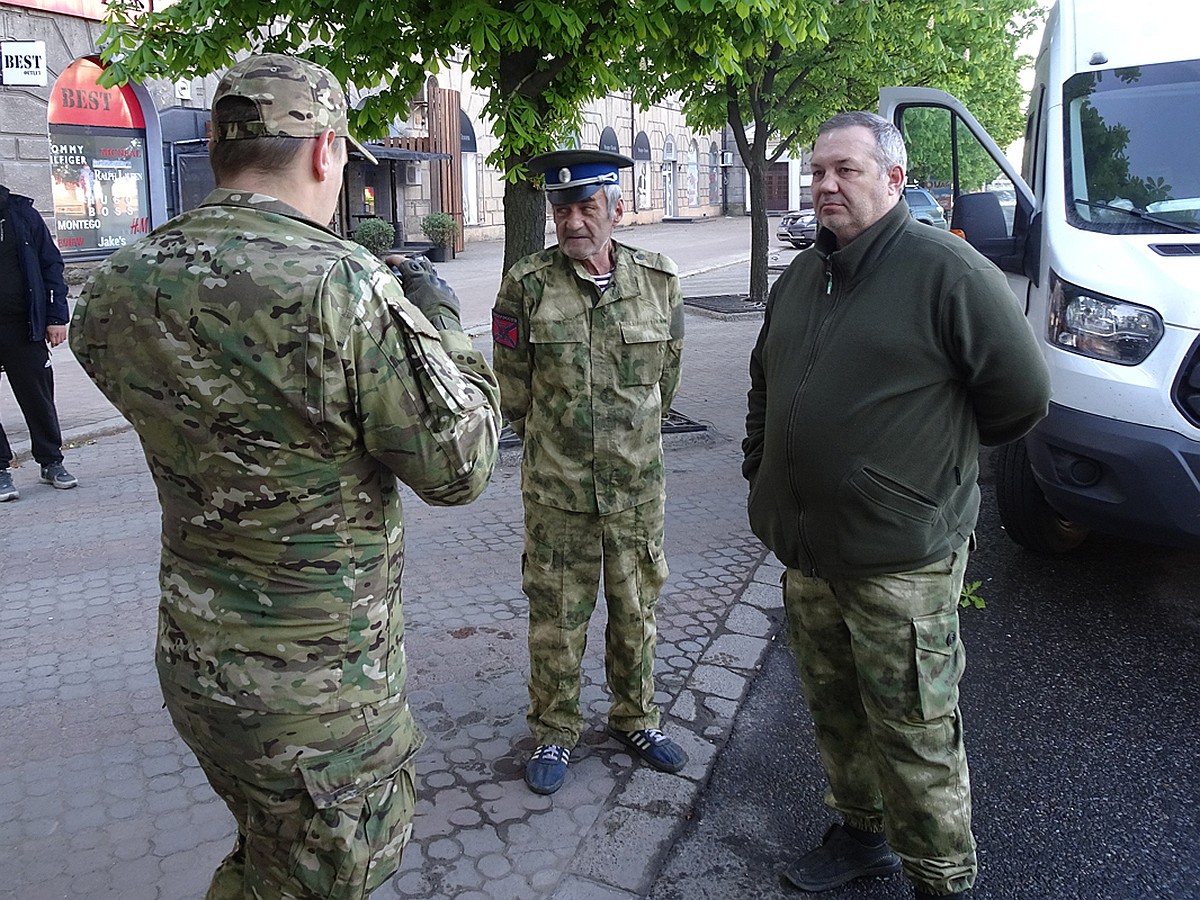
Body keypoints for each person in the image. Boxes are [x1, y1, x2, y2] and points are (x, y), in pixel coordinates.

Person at [71, 53, 501, 899]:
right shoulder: (342, 284)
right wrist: (444, 326)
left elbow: (128, 374)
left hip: (199, 663)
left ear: (225, 151)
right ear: (325, 152)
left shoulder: (121, 281)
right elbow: (460, 467)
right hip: (321, 701)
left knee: (271, 862)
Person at [742, 111, 1052, 899]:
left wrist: (923, 480)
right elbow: (766, 389)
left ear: (894, 179)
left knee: (916, 734)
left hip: (902, 564)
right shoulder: (804, 277)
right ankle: (860, 835)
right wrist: (762, 473)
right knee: (836, 712)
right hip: (811, 556)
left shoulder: (948, 272)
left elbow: (1020, 399)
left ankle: (941, 878)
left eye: (846, 169)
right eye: (817, 172)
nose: (826, 185)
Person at [491, 149, 688, 795]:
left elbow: (668, 378)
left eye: (586, 207)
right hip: (557, 494)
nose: (573, 222)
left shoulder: (658, 280)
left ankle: (636, 717)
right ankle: (554, 729)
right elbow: (512, 389)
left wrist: (627, 443)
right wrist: (556, 446)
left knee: (636, 611)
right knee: (556, 618)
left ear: (616, 210)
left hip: (636, 493)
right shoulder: (526, 283)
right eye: (561, 209)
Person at [0, 183, 77, 501]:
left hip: (23, 324)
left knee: (38, 396)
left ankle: (51, 462)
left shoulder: (21, 214)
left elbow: (51, 264)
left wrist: (57, 317)